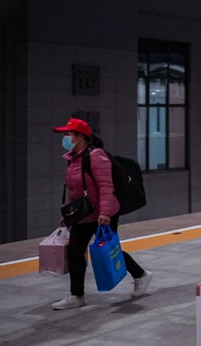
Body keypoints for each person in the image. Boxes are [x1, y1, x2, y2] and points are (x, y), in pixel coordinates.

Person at [51, 118, 151, 310]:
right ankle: (77, 296)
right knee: (75, 251)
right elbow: (75, 192)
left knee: (107, 251)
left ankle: (141, 275)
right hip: (84, 213)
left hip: (104, 213)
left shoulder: (96, 156)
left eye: (67, 134)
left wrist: (105, 213)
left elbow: (106, 186)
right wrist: (68, 215)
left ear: (80, 137)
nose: (64, 138)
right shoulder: (73, 159)